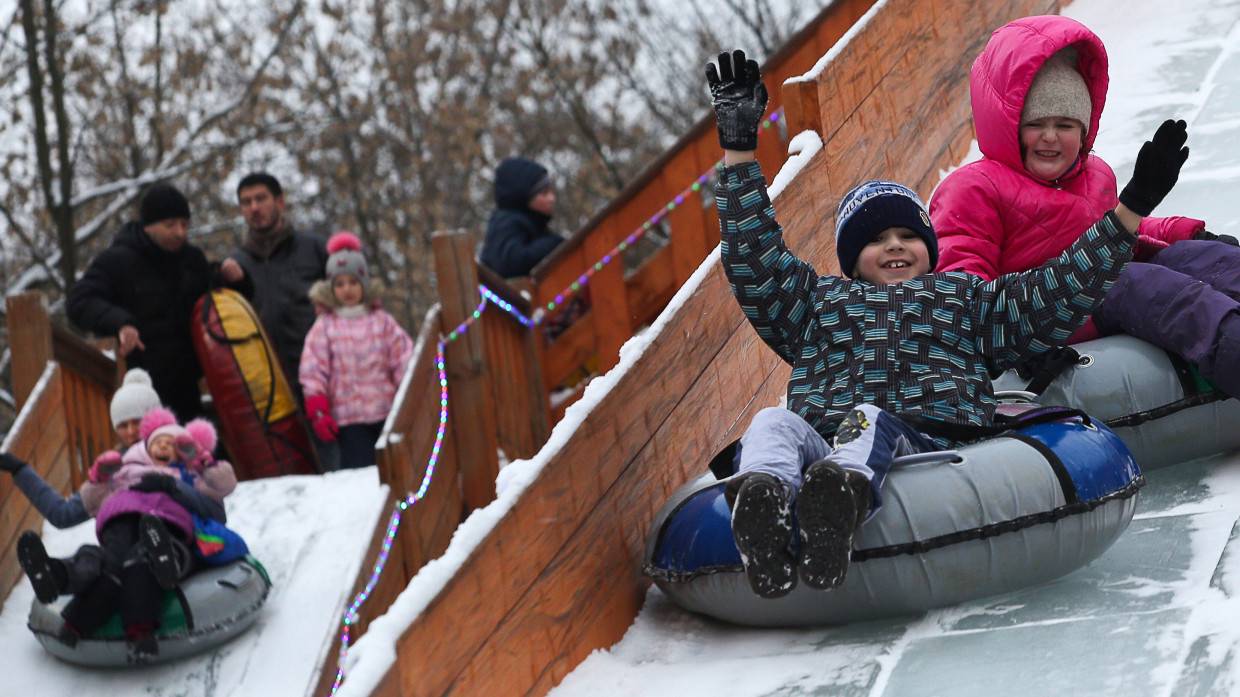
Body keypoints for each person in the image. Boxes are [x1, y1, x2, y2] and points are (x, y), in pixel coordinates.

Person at [704, 49, 1186, 598]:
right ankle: (763, 507)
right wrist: (739, 149)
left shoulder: (963, 299)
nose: (894, 246)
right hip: (824, 436)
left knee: (868, 419)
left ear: (930, 250)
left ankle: (837, 502)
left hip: (926, 439)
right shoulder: (816, 305)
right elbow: (754, 258)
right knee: (771, 423)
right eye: (875, 239)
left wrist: (1130, 211)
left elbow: (1055, 290)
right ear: (849, 258)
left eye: (908, 236)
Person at [930, 15, 1240, 396]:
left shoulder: (1094, 175)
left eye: (1065, 124)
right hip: (1045, 317)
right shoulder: (972, 188)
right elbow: (959, 290)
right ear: (1009, 124)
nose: (1049, 137)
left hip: (1104, 290)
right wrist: (1020, 341)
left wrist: (1185, 233)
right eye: (1035, 123)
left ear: (1084, 128)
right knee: (1138, 284)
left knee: (1199, 258)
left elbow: (1118, 228)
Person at [0, 408, 235, 662]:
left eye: (171, 443)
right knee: (98, 559)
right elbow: (73, 507)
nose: (163, 446)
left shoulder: (188, 475)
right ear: (146, 447)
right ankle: (54, 574)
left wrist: (188, 470)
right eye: (158, 442)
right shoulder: (124, 471)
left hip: (162, 523)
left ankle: (163, 565)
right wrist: (98, 478)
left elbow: (220, 494)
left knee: (141, 558)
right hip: (120, 522)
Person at [67, 183, 251, 420]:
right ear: (148, 226)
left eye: (184, 225)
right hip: (141, 389)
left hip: (187, 387)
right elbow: (79, 302)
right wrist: (121, 323)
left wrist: (237, 281)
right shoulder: (117, 261)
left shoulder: (192, 260)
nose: (179, 233)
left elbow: (218, 300)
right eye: (170, 225)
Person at [300, 232, 414, 469]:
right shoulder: (325, 326)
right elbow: (313, 370)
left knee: (395, 471)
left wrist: (408, 395)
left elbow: (402, 358)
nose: (347, 290)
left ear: (364, 284)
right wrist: (318, 408)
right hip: (349, 421)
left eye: (353, 282)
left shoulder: (381, 322)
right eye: (339, 284)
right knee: (362, 474)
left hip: (387, 413)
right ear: (330, 288)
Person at [227, 172, 328, 405]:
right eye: (246, 202)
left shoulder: (314, 249)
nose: (254, 207)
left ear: (279, 202)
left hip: (323, 377)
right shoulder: (236, 266)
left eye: (261, 198)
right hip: (270, 387)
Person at [479, 157, 564, 278]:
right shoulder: (506, 223)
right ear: (524, 197)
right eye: (544, 193)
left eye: (551, 192)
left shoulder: (534, 223)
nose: (552, 198)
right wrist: (554, 244)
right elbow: (511, 264)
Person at [108, 368, 163, 450]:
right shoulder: (114, 461)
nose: (131, 431)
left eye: (137, 422)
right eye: (123, 426)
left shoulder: (179, 454)